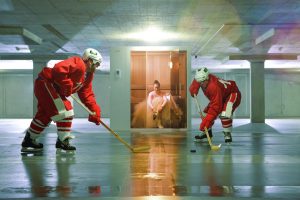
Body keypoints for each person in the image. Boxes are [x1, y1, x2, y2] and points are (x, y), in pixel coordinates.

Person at [21, 48, 102, 153]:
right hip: (46, 83)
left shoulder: (88, 76)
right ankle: (63, 141)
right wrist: (67, 85)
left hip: (48, 87)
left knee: (45, 116)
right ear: (90, 60)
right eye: (97, 64)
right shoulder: (79, 63)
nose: (97, 67)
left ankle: (29, 140)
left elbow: (87, 94)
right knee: (65, 111)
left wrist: (94, 110)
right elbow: (59, 68)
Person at [189, 67, 241, 143]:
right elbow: (196, 81)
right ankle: (207, 133)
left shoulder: (213, 86)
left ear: (207, 78)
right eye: (199, 82)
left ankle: (227, 133)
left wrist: (207, 122)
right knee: (205, 114)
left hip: (232, 94)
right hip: (221, 95)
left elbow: (216, 107)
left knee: (225, 114)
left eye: (203, 82)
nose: (201, 84)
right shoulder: (201, 78)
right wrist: (193, 89)